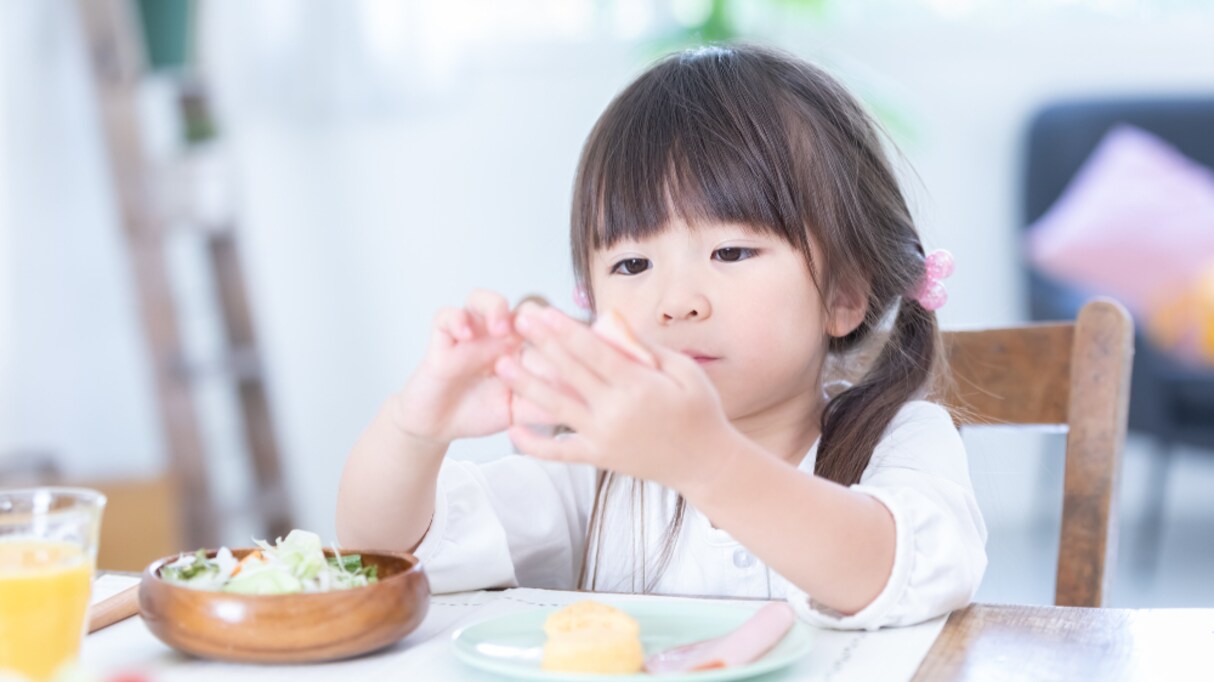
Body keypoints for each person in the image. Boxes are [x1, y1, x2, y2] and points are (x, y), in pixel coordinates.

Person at [337, 44, 986, 630]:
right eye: (632, 265)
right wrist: (415, 430)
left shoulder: (901, 437)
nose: (676, 302)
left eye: (731, 252)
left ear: (843, 294)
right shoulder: (592, 475)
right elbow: (381, 554)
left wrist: (705, 461)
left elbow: (894, 570)